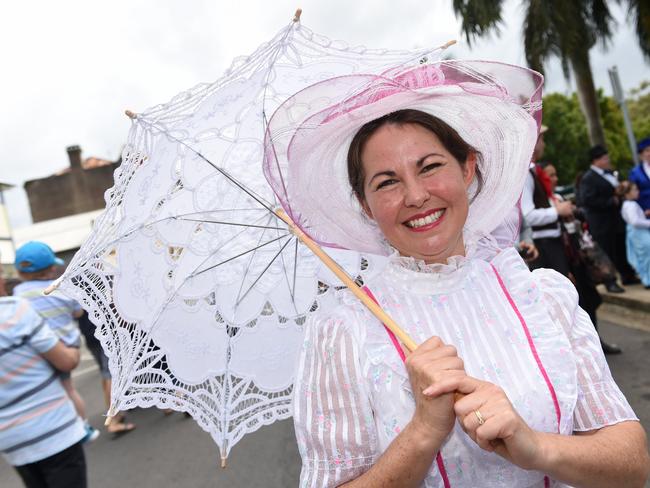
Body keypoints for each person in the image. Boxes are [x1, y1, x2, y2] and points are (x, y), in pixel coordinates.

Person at [269, 61, 650, 487]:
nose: (415, 196)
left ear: (467, 168)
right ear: (365, 204)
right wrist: (423, 432)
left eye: (430, 166)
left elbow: (633, 464)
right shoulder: (344, 332)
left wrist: (536, 447)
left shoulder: (541, 298)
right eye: (386, 182)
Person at [12, 241, 99, 443]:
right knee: (68, 388)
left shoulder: (18, 294)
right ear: (51, 268)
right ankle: (82, 426)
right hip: (66, 347)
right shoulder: (60, 289)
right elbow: (78, 312)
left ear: (19, 272)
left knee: (47, 391)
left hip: (36, 350)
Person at [0, 290, 88, 487]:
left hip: (11, 442)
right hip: (53, 429)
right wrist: (72, 348)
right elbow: (66, 362)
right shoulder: (13, 309)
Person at [542, 162, 620, 354]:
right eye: (550, 176)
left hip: (578, 257)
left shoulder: (559, 198)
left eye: (555, 175)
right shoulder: (546, 204)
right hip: (562, 259)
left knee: (590, 300)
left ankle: (596, 342)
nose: (555, 179)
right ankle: (580, 350)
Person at [579, 145, 639, 289]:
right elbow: (588, 200)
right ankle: (610, 281)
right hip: (601, 222)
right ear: (596, 161)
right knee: (607, 252)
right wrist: (611, 200)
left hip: (616, 219)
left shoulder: (611, 173)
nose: (608, 161)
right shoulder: (588, 178)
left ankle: (627, 275)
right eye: (605, 158)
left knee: (620, 247)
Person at [521, 126, 575, 276]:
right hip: (543, 246)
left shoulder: (531, 171)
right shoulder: (525, 173)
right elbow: (528, 216)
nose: (544, 144)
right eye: (542, 139)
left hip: (548, 243)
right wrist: (557, 210)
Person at [618, 181, 650, 288]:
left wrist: (643, 214)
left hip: (637, 233)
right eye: (635, 190)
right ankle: (647, 280)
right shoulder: (630, 205)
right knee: (646, 256)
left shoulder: (628, 204)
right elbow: (635, 221)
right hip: (639, 234)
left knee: (645, 256)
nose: (638, 191)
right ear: (627, 193)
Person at [629, 137, 650, 213]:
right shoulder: (635, 172)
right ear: (641, 154)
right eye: (647, 150)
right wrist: (643, 209)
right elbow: (633, 193)